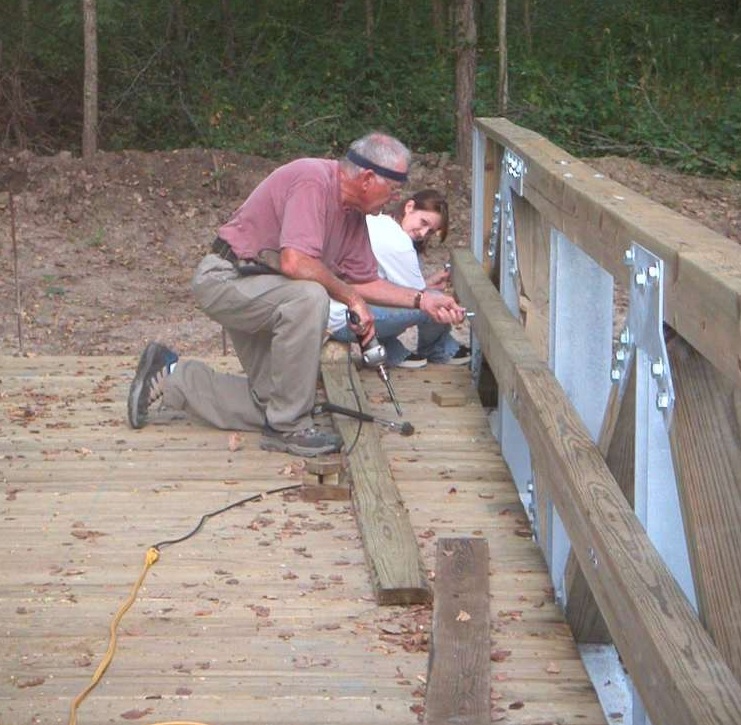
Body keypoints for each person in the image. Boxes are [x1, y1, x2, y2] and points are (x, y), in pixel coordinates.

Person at [126, 131, 466, 457]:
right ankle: (289, 429)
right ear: (366, 178)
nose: (395, 198)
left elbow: (364, 282)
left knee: (273, 401)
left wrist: (423, 300)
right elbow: (295, 261)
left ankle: (171, 376)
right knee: (309, 297)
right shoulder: (313, 180)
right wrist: (352, 299)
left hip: (268, 295)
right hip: (226, 280)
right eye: (392, 188)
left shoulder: (354, 217)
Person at [327, 189, 471, 368]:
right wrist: (442, 301)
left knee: (422, 296)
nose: (423, 233)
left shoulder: (377, 221)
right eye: (423, 222)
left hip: (329, 312)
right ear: (409, 207)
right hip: (347, 321)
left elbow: (383, 285)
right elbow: (418, 297)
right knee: (435, 300)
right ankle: (438, 348)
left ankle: (392, 351)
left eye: (430, 231)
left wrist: (426, 283)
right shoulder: (400, 244)